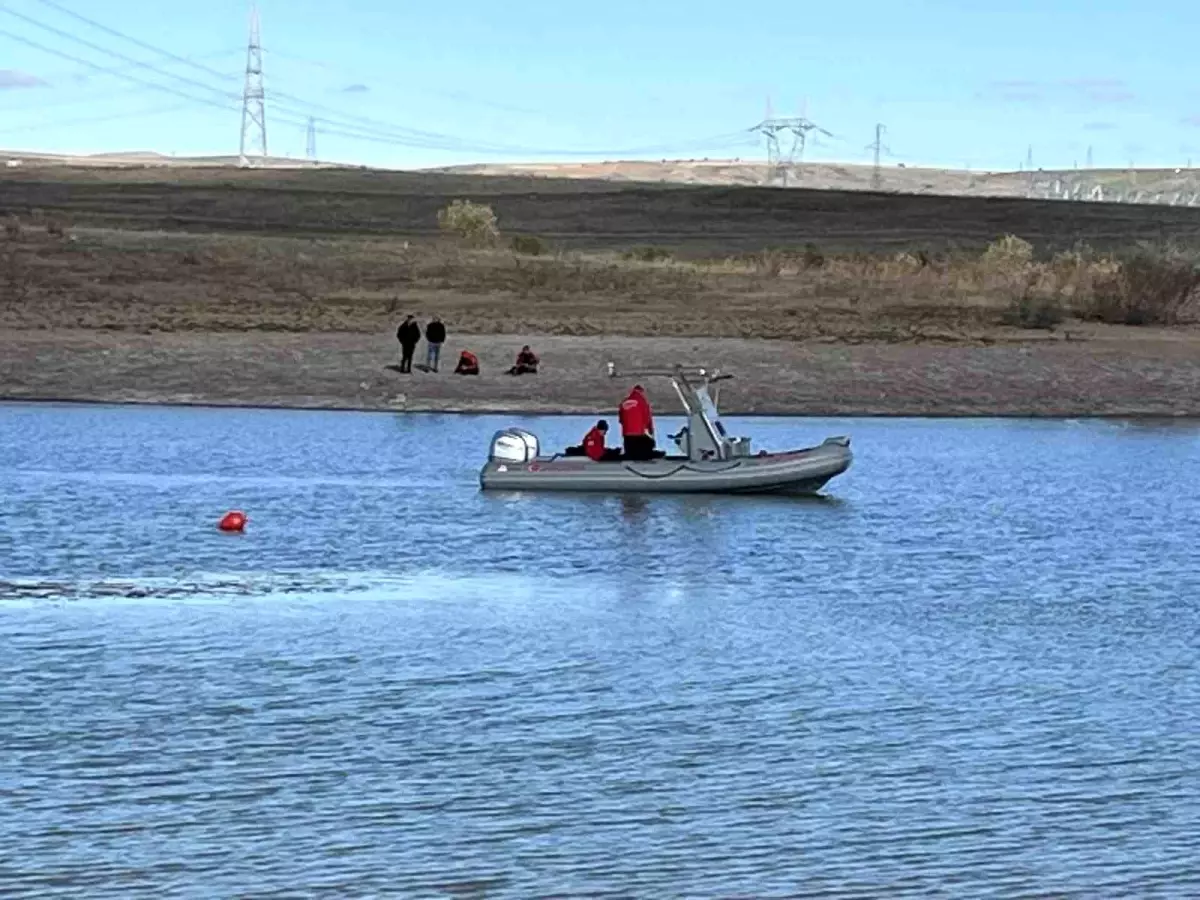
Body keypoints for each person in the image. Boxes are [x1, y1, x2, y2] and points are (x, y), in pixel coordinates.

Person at [619, 384, 662, 461]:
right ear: (641, 392)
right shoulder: (642, 401)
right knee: (648, 444)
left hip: (627, 434)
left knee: (629, 452)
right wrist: (650, 430)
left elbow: (621, 419)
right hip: (638, 433)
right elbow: (647, 417)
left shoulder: (624, 402)